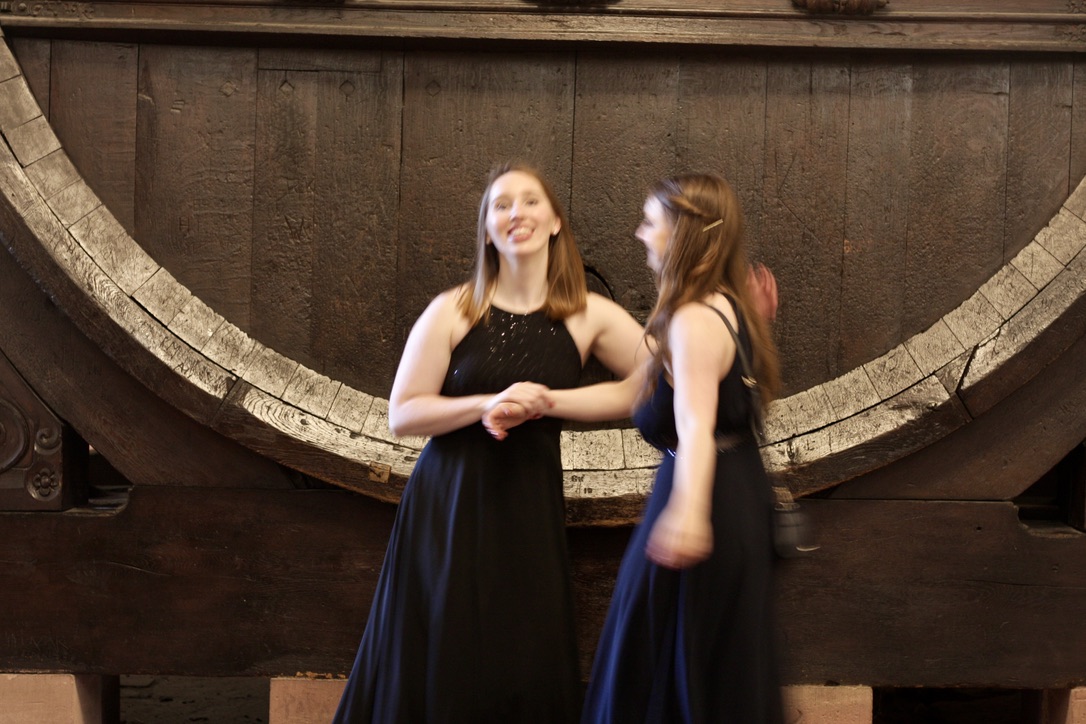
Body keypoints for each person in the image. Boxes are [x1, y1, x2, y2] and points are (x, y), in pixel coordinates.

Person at [332, 162, 646, 723]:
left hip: (528, 507)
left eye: (530, 201)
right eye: (501, 205)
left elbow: (652, 384)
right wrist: (486, 405)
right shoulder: (454, 309)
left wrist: (547, 403)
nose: (516, 213)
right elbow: (403, 413)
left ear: (555, 222)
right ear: (486, 230)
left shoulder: (587, 314)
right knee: (441, 651)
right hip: (449, 506)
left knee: (521, 651)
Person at [484, 172, 784, 723]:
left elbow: (695, 425)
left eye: (651, 222)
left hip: (704, 494)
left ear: (685, 233)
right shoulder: (723, 307)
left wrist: (688, 513)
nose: (641, 233)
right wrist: (544, 402)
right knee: (703, 661)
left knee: (659, 662)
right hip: (735, 491)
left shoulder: (693, 320)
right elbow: (636, 393)